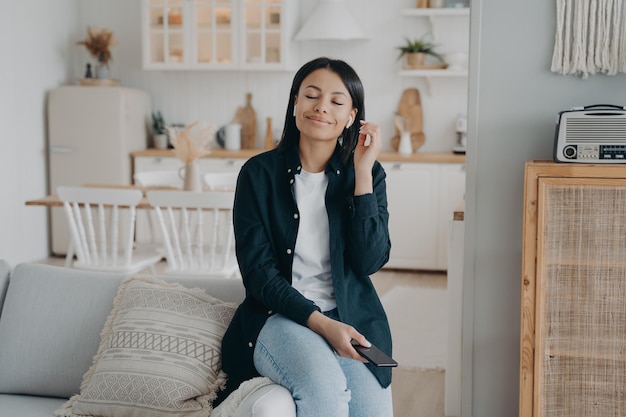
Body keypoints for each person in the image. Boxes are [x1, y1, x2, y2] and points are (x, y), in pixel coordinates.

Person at [219, 57, 393, 417]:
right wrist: (322, 324)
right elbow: (259, 275)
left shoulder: (369, 174)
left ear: (352, 116)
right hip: (278, 316)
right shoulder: (257, 174)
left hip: (350, 316)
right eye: (311, 95)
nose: (321, 107)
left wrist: (361, 174)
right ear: (295, 102)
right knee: (325, 393)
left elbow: (369, 261)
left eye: (336, 101)